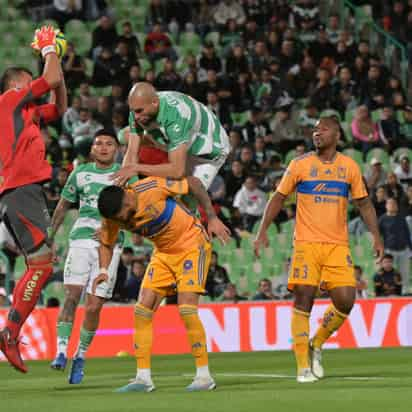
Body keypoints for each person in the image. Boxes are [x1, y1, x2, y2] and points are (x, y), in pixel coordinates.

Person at [254, 116, 384, 383]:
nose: (317, 133)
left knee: (346, 301)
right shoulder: (299, 164)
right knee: (303, 300)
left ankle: (317, 342)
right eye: (314, 130)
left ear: (337, 135)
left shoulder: (349, 167)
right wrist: (262, 230)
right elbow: (278, 197)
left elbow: (364, 204)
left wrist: (376, 236)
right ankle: (303, 366)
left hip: (337, 245)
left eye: (323, 129)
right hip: (306, 244)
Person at [94, 175, 230, 392]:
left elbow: (193, 183)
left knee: (186, 309)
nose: (122, 223)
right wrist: (102, 270)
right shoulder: (112, 216)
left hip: (191, 244)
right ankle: (143, 379)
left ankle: (204, 377)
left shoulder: (151, 188)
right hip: (164, 253)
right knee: (142, 310)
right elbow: (106, 243)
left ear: (128, 200)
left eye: (123, 217)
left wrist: (211, 217)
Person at [0, 26, 67, 373]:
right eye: (30, 83)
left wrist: (58, 64)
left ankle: (10, 331)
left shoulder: (29, 115)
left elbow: (60, 105)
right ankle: (9, 333)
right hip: (20, 189)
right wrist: (47, 48)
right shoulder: (10, 101)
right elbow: (49, 75)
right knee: (40, 265)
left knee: (43, 263)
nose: (34, 87)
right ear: (17, 85)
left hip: (28, 190)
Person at [48, 130, 127, 383]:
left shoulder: (125, 175)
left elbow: (136, 209)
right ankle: (60, 351)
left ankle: (80, 356)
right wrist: (50, 239)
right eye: (99, 143)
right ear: (92, 149)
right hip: (80, 240)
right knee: (71, 297)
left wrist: (113, 228)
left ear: (116, 149)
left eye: (109, 144)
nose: (103, 147)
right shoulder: (80, 172)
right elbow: (62, 205)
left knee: (94, 306)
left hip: (111, 244)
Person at [112, 82, 231, 211]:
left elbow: (177, 171)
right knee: (123, 136)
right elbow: (131, 155)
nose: (136, 116)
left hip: (209, 150)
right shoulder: (139, 108)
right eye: (133, 111)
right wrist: (125, 192)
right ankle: (156, 141)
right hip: (176, 137)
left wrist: (137, 169)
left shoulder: (176, 117)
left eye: (139, 111)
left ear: (155, 103)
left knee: (186, 205)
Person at [378, 197, 412, 294]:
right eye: (390, 203)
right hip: (389, 250)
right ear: (386, 206)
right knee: (388, 272)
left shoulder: (402, 218)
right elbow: (378, 236)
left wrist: (410, 249)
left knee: (404, 272)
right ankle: (388, 292)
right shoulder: (382, 219)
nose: (393, 205)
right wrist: (379, 251)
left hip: (403, 250)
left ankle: (404, 292)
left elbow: (407, 234)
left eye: (395, 204)